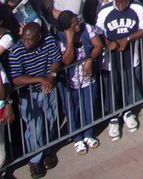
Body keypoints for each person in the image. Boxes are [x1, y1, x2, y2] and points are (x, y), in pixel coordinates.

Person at [94, 0, 143, 141]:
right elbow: (97, 31)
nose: (120, 6)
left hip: (130, 56)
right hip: (111, 60)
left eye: (123, 2)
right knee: (113, 86)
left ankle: (128, 112)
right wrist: (107, 42)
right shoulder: (105, 10)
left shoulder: (137, 7)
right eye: (118, 3)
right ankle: (113, 117)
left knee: (130, 84)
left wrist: (128, 39)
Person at [7, 23, 63, 178]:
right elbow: (16, 78)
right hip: (29, 94)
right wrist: (39, 79)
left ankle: (47, 151)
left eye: (29, 40)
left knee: (50, 120)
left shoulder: (49, 41)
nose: (25, 43)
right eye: (23, 39)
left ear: (39, 37)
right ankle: (34, 159)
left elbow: (57, 60)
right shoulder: (16, 51)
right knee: (34, 128)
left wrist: (51, 75)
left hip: (48, 90)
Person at [56, 11, 104, 156]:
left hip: (87, 78)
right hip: (70, 83)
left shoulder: (86, 28)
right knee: (73, 110)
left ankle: (89, 134)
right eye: (74, 25)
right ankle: (77, 138)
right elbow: (66, 60)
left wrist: (89, 59)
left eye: (77, 22)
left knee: (88, 106)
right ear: (67, 28)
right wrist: (69, 41)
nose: (78, 25)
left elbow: (98, 45)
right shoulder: (58, 38)